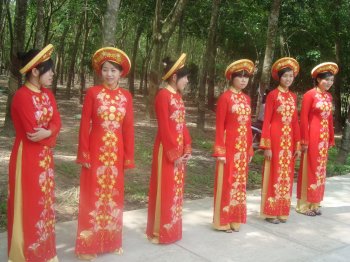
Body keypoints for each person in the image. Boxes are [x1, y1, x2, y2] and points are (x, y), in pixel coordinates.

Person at [75, 47, 135, 260]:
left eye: (113, 70)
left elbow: (128, 128)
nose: (109, 74)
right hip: (95, 150)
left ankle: (110, 242)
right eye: (106, 70)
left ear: (121, 73)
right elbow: (84, 124)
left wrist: (128, 157)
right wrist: (84, 154)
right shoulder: (93, 93)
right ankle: (88, 245)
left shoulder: (126, 97)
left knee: (113, 197)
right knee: (92, 196)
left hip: (116, 153)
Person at [8, 44, 61, 262]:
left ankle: (44, 251)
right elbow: (32, 134)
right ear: (35, 71)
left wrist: (48, 132)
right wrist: (49, 133)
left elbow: (57, 122)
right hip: (27, 157)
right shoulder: (22, 96)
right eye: (49, 70)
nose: (53, 74)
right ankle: (27, 253)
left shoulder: (47, 94)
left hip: (45, 158)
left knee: (44, 202)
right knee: (29, 202)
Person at [146, 53, 192, 244]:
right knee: (164, 188)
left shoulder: (178, 97)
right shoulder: (163, 96)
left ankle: (172, 228)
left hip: (179, 151)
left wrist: (187, 148)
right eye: (186, 77)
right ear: (175, 77)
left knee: (175, 190)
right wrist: (174, 154)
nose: (187, 81)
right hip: (166, 150)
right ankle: (159, 230)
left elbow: (182, 124)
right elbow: (164, 128)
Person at [212, 59, 254, 233]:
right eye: (240, 77)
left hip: (243, 148)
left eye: (246, 77)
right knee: (227, 182)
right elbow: (219, 125)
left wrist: (250, 148)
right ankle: (222, 222)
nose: (243, 80)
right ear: (232, 78)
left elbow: (248, 125)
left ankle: (235, 220)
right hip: (229, 146)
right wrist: (219, 150)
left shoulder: (246, 99)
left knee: (239, 184)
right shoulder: (225, 98)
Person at [259, 57, 301, 224]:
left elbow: (295, 122)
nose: (288, 79)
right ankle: (270, 212)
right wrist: (266, 145)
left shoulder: (293, 97)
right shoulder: (272, 95)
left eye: (291, 76)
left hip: (289, 141)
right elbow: (267, 121)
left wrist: (297, 144)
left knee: (287, 176)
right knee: (274, 174)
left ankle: (282, 211)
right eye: (285, 76)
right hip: (275, 139)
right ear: (279, 77)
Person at [296, 62, 338, 216]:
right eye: (326, 79)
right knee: (310, 168)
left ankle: (315, 203)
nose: (329, 83)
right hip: (312, 136)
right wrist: (304, 140)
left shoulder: (328, 96)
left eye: (331, 80)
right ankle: (303, 205)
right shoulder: (309, 95)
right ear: (318, 79)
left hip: (324, 138)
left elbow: (330, 119)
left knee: (320, 170)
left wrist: (331, 138)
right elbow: (304, 119)